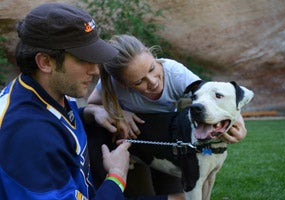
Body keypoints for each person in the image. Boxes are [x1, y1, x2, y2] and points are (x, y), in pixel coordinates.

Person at [0, 3, 169, 200]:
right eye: (83, 59)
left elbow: (57, 123)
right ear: (46, 62)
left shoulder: (49, 91)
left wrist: (89, 113)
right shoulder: (28, 137)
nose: (96, 70)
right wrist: (116, 176)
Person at [85, 34, 247, 197]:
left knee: (181, 196)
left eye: (152, 68)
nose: (153, 81)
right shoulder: (112, 83)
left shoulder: (175, 73)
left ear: (153, 55)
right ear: (122, 83)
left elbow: (212, 98)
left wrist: (240, 126)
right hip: (130, 143)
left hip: (166, 139)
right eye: (139, 81)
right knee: (144, 194)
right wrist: (118, 113)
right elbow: (91, 105)